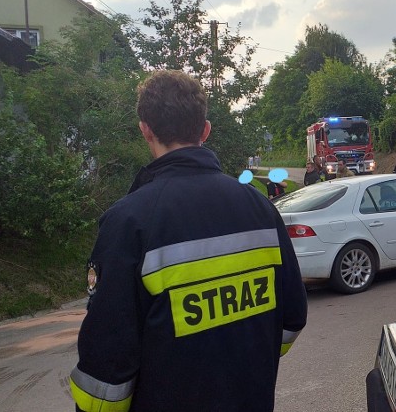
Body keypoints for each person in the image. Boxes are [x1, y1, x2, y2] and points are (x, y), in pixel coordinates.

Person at [70, 70, 307, 412]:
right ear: (205, 130)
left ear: (145, 129)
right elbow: (292, 318)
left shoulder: (129, 222)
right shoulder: (259, 207)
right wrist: (242, 362)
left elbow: (106, 375)